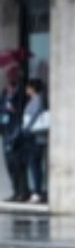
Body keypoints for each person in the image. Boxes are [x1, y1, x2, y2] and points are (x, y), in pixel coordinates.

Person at [0, 68, 28, 202]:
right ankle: (15, 191)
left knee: (18, 165)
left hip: (17, 132)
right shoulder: (5, 92)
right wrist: (5, 107)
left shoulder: (22, 92)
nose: (9, 79)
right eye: (8, 76)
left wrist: (14, 109)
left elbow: (22, 111)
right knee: (10, 164)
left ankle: (23, 192)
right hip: (6, 130)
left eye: (12, 76)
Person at [21, 78, 47, 204]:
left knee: (35, 165)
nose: (26, 90)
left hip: (36, 137)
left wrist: (27, 128)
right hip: (32, 136)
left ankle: (37, 191)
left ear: (33, 88)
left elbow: (36, 114)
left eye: (28, 87)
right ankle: (36, 191)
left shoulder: (38, 99)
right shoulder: (33, 100)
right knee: (33, 165)